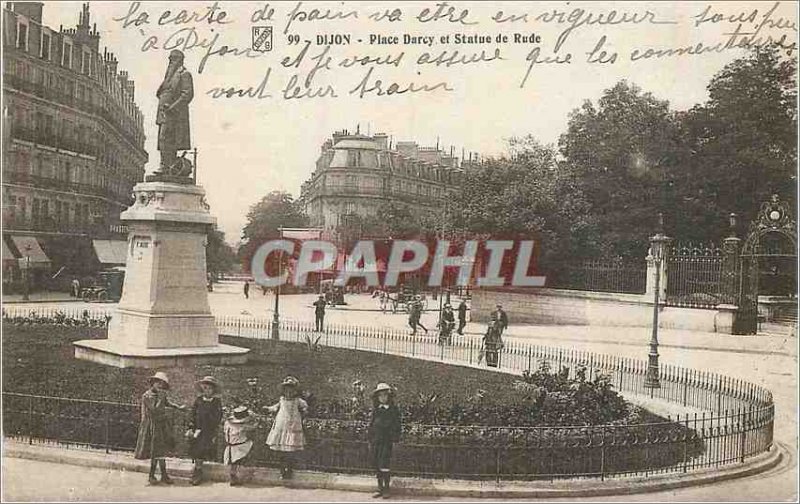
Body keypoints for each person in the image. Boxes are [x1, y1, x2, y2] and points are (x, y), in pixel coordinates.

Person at [134, 372, 186, 485]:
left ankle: (163, 475)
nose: (159, 385)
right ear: (152, 383)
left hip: (161, 425)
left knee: (160, 450)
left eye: (161, 383)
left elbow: (168, 403)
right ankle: (153, 475)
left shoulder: (161, 395)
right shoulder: (147, 396)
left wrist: (178, 407)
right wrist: (161, 398)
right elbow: (154, 409)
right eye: (157, 383)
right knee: (155, 451)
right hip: (152, 426)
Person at [156, 49, 194, 173]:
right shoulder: (168, 77)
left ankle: (166, 166)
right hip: (164, 113)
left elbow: (187, 94)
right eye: (170, 59)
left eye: (173, 59)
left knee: (167, 138)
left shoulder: (184, 74)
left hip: (175, 114)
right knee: (163, 139)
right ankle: (166, 165)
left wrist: (172, 107)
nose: (171, 61)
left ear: (180, 60)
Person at [264, 376, 308, 479]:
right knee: (281, 450)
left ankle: (289, 469)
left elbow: (305, 406)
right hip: (281, 425)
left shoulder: (298, 401)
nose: (289, 391)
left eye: (291, 389)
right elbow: (275, 408)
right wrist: (268, 408)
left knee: (290, 449)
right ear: (284, 390)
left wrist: (305, 410)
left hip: (293, 426)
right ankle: (282, 470)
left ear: (295, 390)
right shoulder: (282, 400)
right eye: (287, 389)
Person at [186, 376, 223, 485]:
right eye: (205, 388)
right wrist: (191, 427)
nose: (207, 391)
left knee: (203, 450)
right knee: (196, 450)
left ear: (213, 390)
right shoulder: (198, 400)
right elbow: (192, 414)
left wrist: (209, 416)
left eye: (210, 389)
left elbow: (218, 416)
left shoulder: (216, 402)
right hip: (198, 429)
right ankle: (197, 471)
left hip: (208, 430)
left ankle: (199, 471)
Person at [369, 383, 402, 499]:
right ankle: (379, 488)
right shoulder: (376, 410)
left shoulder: (393, 410)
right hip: (376, 441)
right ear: (377, 398)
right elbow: (371, 425)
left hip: (387, 442)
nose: (383, 398)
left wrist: (395, 439)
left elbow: (398, 426)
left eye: (385, 395)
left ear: (389, 397)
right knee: (377, 464)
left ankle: (387, 489)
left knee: (385, 464)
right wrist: (370, 438)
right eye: (380, 396)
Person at [224, 405, 258, 486]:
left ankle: (233, 475)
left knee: (233, 461)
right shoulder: (242, 426)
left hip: (230, 445)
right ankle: (241, 474)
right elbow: (254, 426)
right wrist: (255, 419)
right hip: (240, 445)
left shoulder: (227, 423)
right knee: (250, 444)